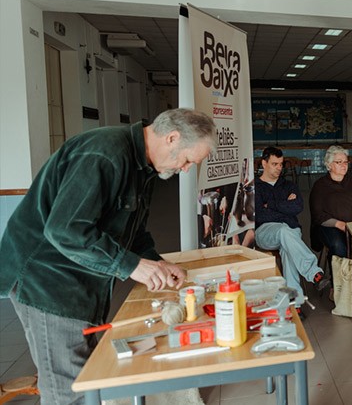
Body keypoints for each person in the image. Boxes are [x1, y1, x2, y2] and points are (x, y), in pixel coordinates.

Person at [0, 108, 216, 404]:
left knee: (90, 376)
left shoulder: (144, 168)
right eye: (189, 160)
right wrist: (132, 265)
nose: (187, 169)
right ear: (172, 138)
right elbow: (65, 230)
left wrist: (157, 262)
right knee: (71, 389)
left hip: (78, 281)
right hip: (47, 282)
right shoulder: (105, 155)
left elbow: (132, 231)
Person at [254, 147, 330, 312]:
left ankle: (294, 305)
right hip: (265, 232)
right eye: (274, 164)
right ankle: (314, 273)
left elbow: (297, 207)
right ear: (264, 163)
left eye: (281, 164)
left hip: (291, 231)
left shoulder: (289, 185)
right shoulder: (255, 187)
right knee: (283, 230)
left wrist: (271, 205)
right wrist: (284, 207)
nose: (279, 168)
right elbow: (260, 215)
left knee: (288, 250)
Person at [309, 145, 352, 263]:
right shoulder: (320, 186)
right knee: (338, 245)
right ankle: (340, 275)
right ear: (329, 165)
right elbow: (317, 213)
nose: (344, 165)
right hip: (330, 226)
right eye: (339, 162)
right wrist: (340, 224)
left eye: (346, 162)